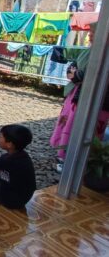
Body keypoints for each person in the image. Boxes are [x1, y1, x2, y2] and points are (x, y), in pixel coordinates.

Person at [50, 22, 109, 172]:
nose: (89, 35)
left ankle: (80, 160)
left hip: (94, 99)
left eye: (93, 32)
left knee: (83, 126)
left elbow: (85, 75)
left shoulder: (102, 53)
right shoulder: (91, 50)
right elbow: (72, 69)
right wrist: (74, 74)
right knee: (69, 123)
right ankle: (64, 155)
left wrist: (75, 75)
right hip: (78, 95)